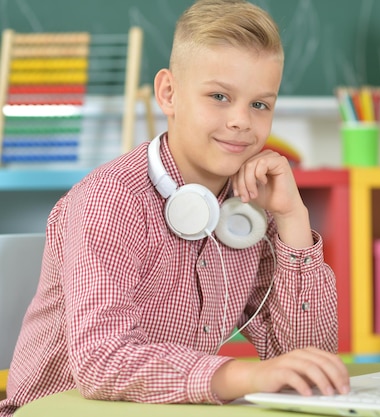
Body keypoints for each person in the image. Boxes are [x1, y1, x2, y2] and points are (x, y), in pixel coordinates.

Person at [0, 0, 349, 415]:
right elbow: (101, 360)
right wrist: (244, 376)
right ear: (169, 93)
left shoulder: (249, 213)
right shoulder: (111, 201)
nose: (241, 121)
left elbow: (307, 363)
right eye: (219, 96)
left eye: (260, 104)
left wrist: (293, 219)